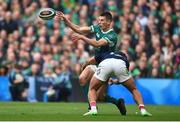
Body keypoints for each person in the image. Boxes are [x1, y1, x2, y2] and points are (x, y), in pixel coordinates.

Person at [55, 11, 126, 115]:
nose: (99, 22)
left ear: (109, 22)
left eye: (102, 20)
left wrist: (82, 38)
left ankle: (117, 102)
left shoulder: (112, 36)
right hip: (96, 62)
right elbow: (79, 29)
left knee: (100, 97)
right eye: (99, 20)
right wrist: (66, 20)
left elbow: (97, 44)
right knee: (82, 78)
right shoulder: (97, 28)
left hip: (106, 66)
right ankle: (91, 107)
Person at [81, 51, 152, 116]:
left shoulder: (105, 53)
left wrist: (84, 66)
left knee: (92, 89)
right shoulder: (125, 60)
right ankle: (143, 110)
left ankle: (93, 109)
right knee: (134, 89)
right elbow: (123, 80)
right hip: (120, 65)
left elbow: (90, 60)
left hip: (105, 64)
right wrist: (115, 82)